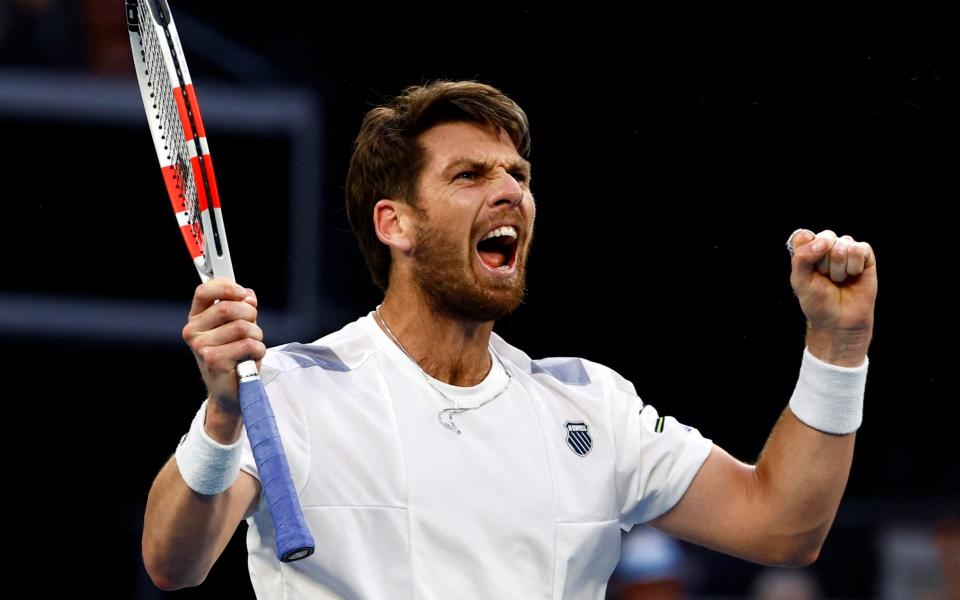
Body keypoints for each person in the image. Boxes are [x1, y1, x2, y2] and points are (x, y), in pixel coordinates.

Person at [141, 81, 877, 599]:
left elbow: (783, 527)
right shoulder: (293, 390)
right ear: (394, 223)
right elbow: (174, 561)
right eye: (469, 174)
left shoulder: (592, 406)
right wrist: (221, 421)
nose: (510, 192)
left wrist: (838, 348)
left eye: (518, 174)